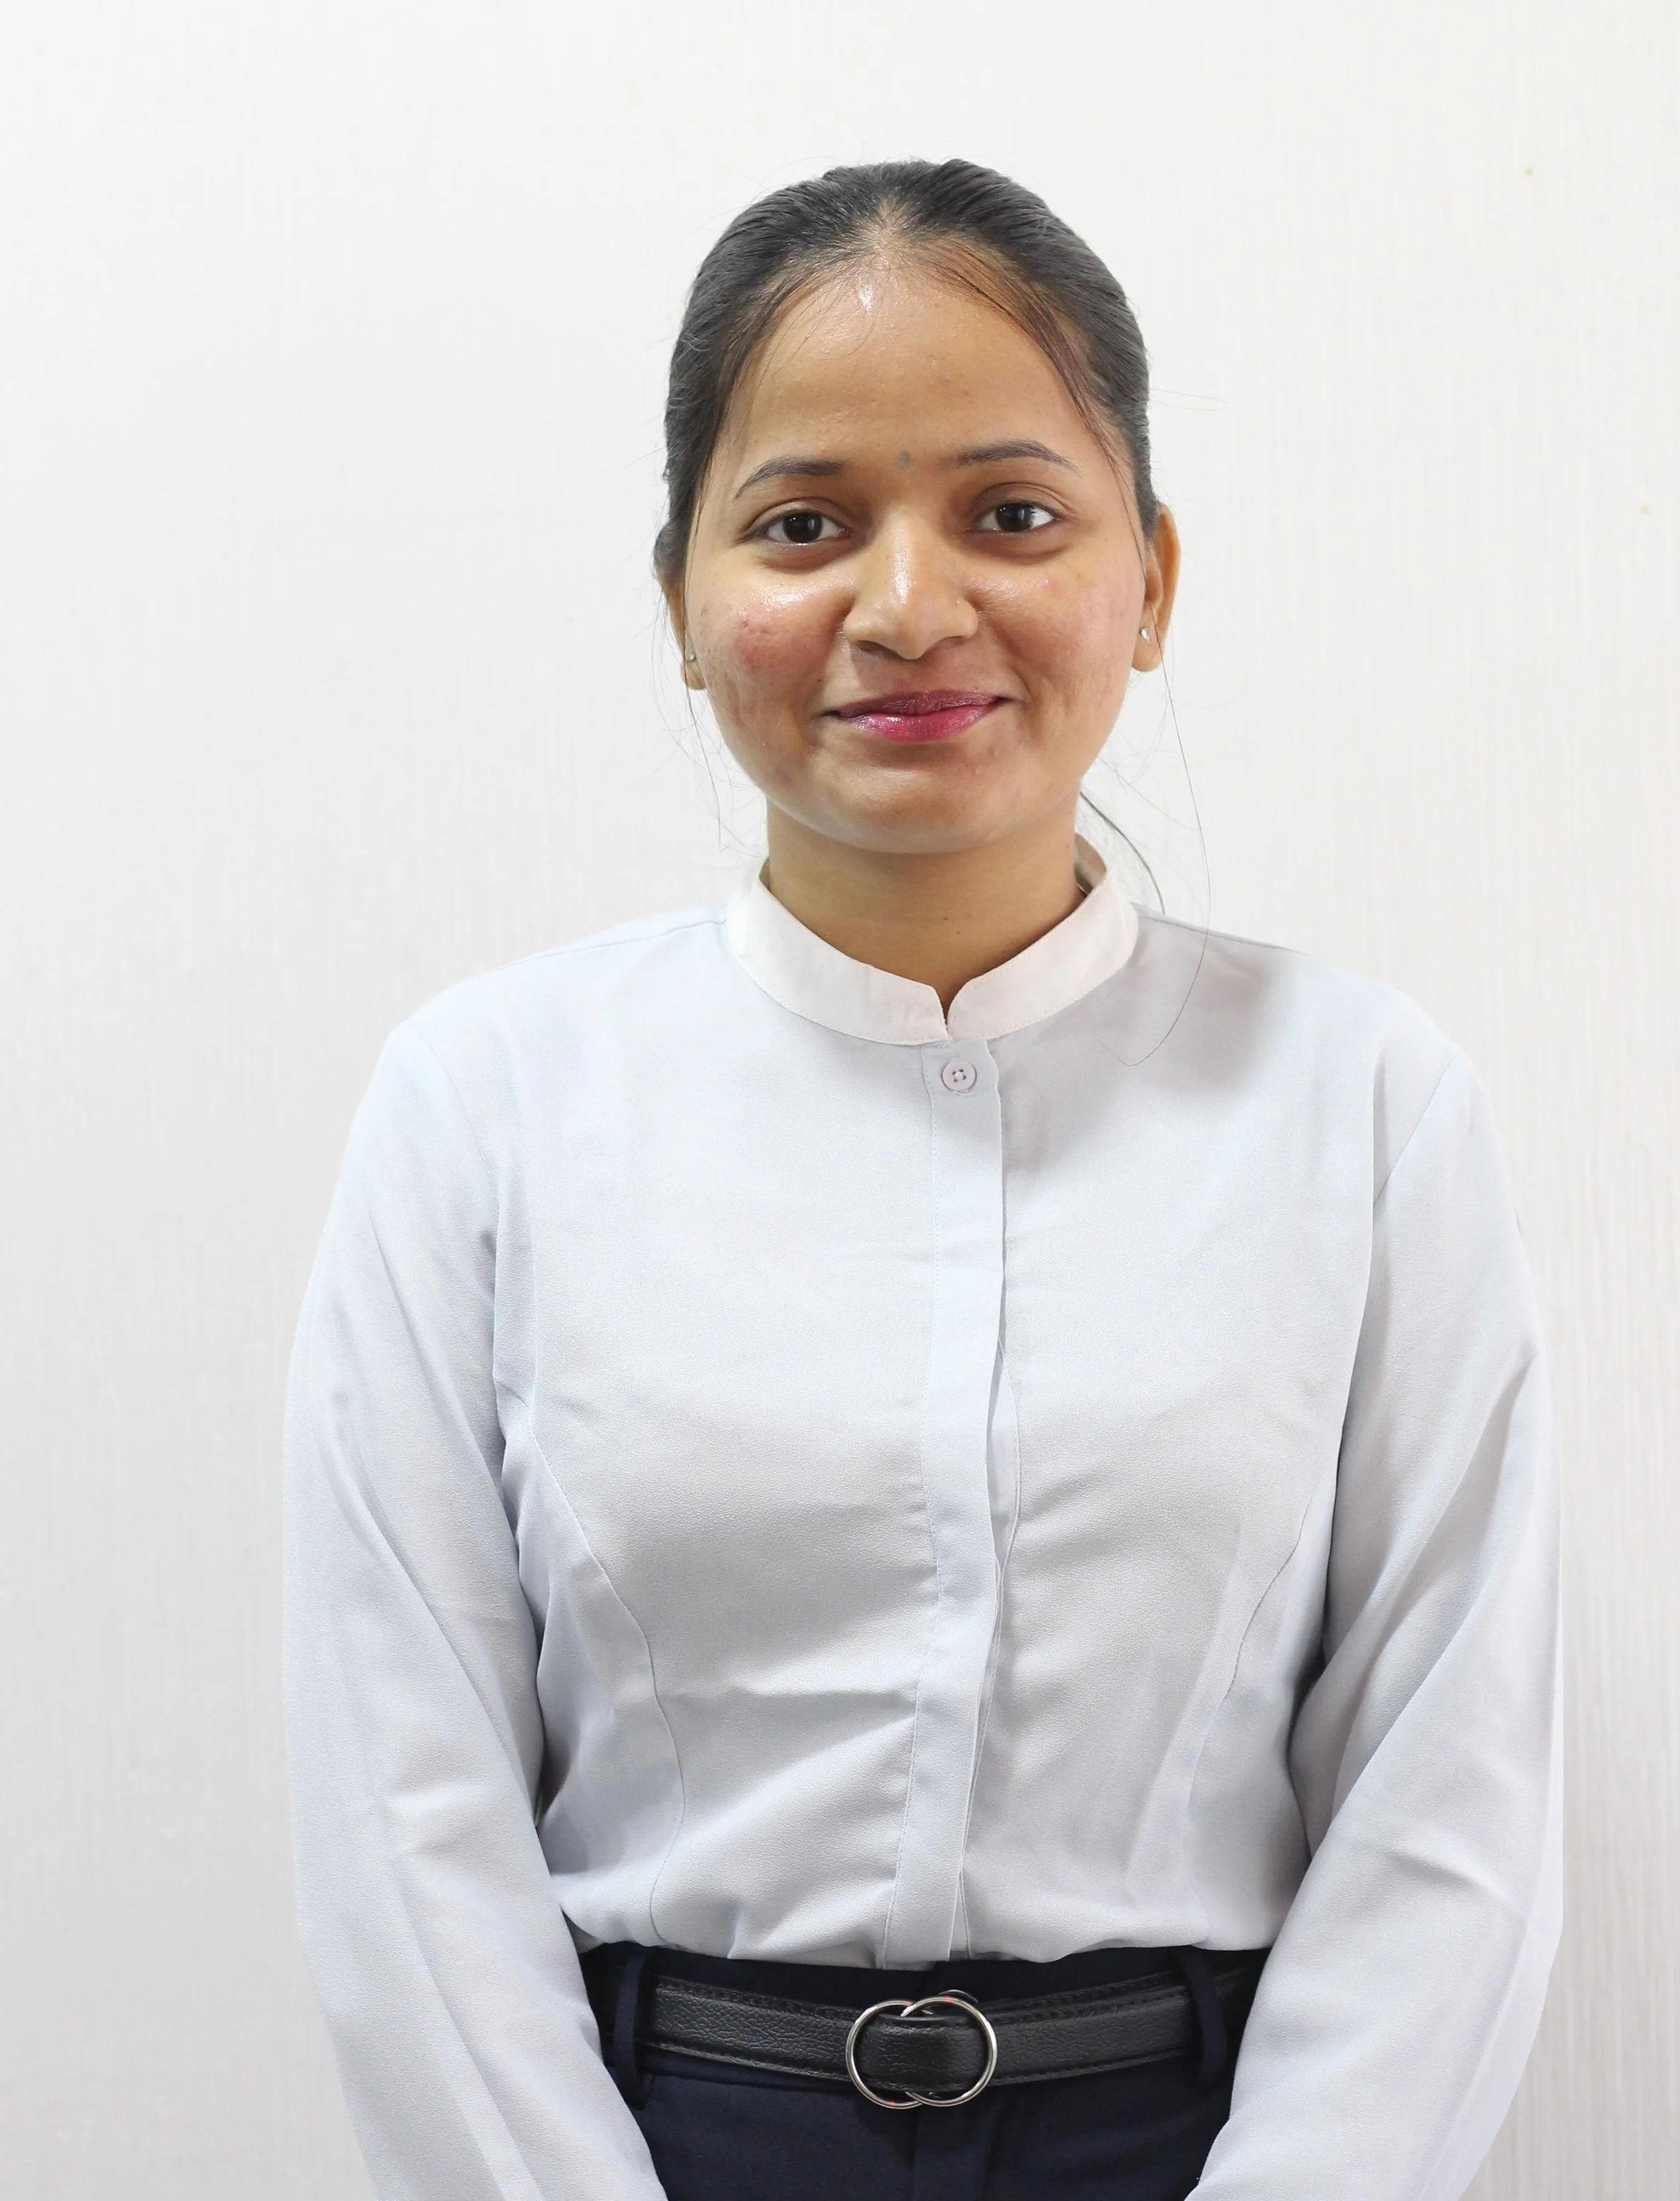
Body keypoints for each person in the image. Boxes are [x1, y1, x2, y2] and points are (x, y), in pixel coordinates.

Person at [285, 158, 1560, 2201]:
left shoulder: (1366, 1103)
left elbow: (1449, 1798)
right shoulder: (488, 1103)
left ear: (1146, 577)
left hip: (1206, 2139)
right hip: (652, 2137)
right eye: (802, 524)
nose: (901, 604)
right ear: (687, 603)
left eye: (1010, 513)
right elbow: (399, 1807)